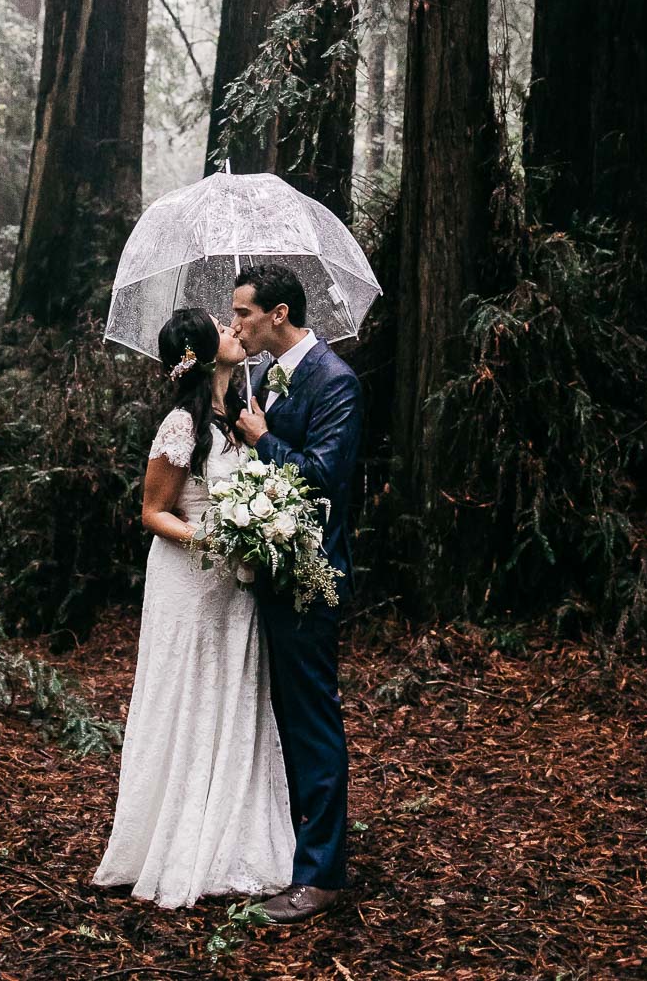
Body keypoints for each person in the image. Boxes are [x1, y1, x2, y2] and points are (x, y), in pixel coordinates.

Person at [92, 307, 294, 909]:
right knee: (189, 690)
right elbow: (153, 512)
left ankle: (233, 833)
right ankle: (174, 839)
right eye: (223, 328)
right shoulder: (181, 425)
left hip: (235, 585)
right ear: (205, 353)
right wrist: (216, 538)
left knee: (233, 690)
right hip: (189, 579)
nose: (235, 330)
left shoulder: (238, 416)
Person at [230, 261, 363, 925]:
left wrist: (263, 439)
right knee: (282, 721)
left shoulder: (335, 381)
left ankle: (322, 876)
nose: (236, 326)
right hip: (273, 576)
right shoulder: (265, 378)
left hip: (311, 579)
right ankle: (289, 847)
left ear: (278, 314)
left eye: (243, 314)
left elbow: (323, 476)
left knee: (312, 724)